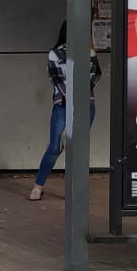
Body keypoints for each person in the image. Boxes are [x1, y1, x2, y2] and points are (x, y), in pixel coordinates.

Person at [31, 24, 102, 201]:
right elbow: (59, 81)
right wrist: (76, 94)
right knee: (55, 146)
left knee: (77, 147)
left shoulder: (89, 52)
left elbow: (95, 75)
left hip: (86, 104)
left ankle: (75, 191)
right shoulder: (55, 53)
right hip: (63, 105)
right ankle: (38, 186)